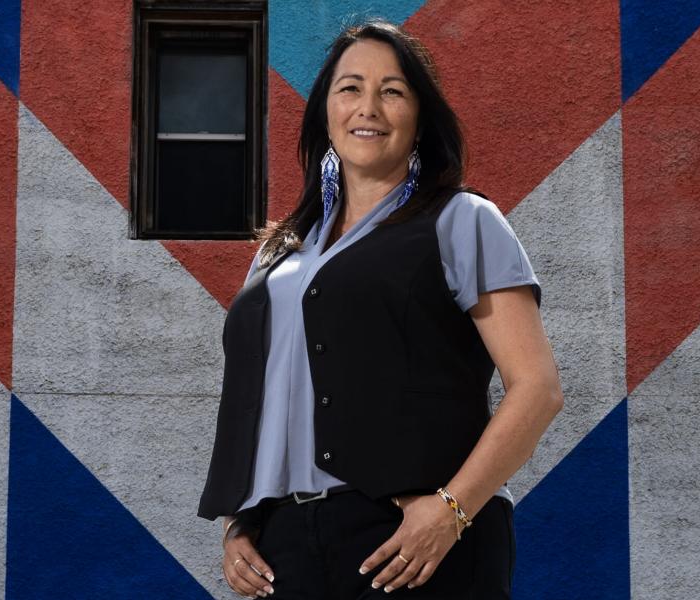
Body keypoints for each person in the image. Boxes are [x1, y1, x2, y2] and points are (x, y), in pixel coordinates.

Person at [197, 18, 563, 600]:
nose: (368, 106)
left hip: (415, 535)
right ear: (324, 113)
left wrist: (450, 512)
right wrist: (240, 520)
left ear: (419, 119)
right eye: (350, 88)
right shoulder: (277, 253)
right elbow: (263, 398)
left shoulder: (462, 221)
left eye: (392, 91)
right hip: (286, 546)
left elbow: (537, 390)